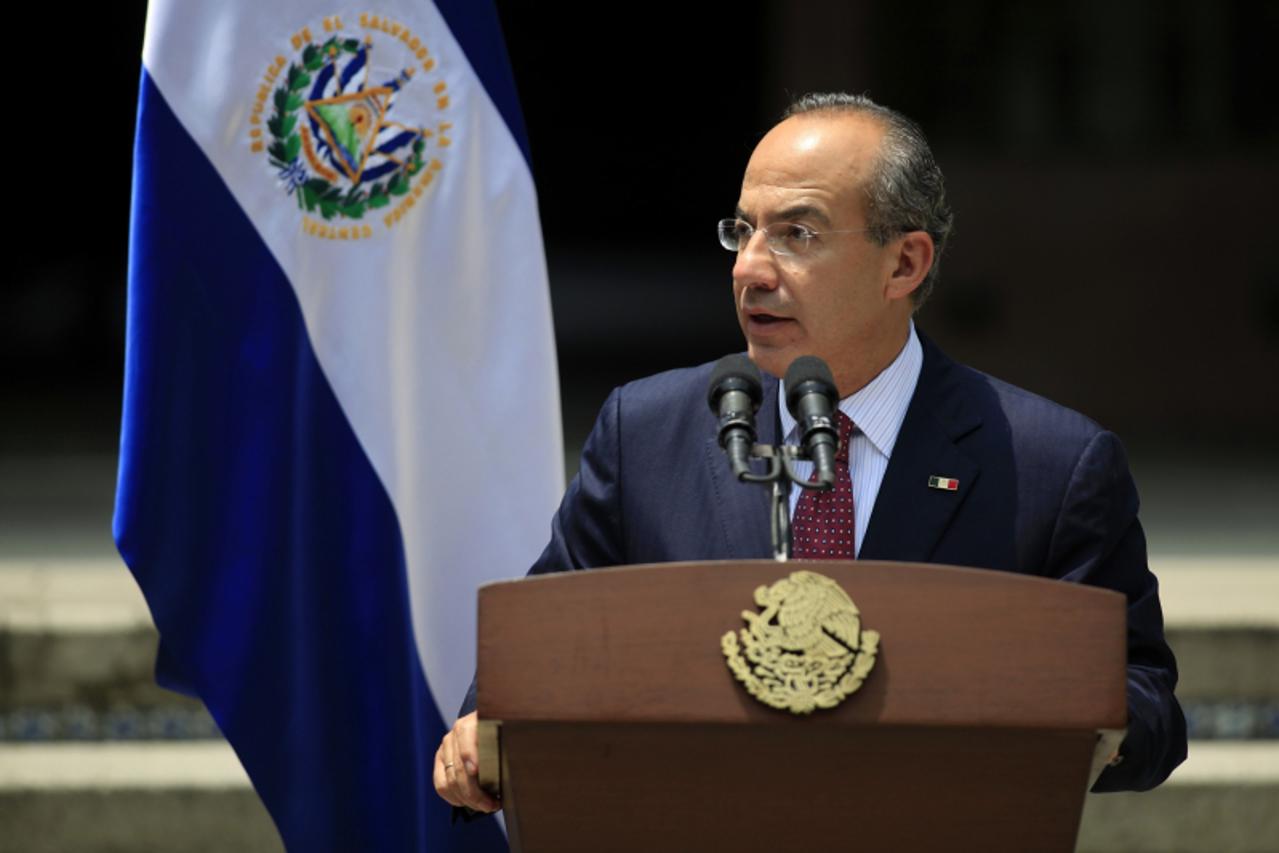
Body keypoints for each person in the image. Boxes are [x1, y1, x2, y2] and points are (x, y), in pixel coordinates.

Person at [433, 92, 1187, 814]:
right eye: (742, 229)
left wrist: (1028, 702)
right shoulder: (649, 431)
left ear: (905, 265)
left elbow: (1147, 706)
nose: (749, 268)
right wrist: (480, 734)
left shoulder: (1053, 465)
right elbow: (533, 657)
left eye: (796, 234)